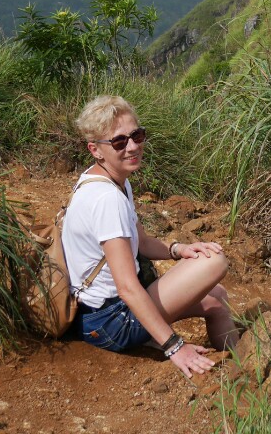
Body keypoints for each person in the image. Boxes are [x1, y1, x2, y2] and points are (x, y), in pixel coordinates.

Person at [64, 95, 238, 377]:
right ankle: (233, 370)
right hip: (108, 321)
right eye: (119, 142)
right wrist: (174, 346)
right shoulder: (107, 199)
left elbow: (141, 242)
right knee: (215, 262)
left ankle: (241, 365)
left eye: (137, 135)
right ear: (95, 149)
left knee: (217, 297)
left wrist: (179, 249)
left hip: (102, 314)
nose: (132, 146)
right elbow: (127, 287)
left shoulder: (112, 181)